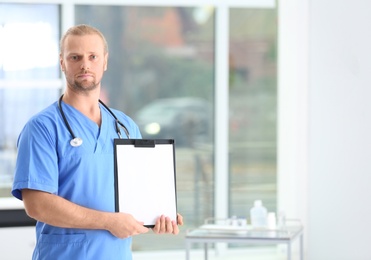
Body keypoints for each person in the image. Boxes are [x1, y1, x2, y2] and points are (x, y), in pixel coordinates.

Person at [11, 24, 183, 260]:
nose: (85, 64)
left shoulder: (125, 127)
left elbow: (139, 195)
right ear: (62, 62)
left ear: (105, 61)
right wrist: (108, 222)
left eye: (93, 56)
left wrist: (159, 215)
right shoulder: (42, 128)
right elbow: (38, 205)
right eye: (75, 57)